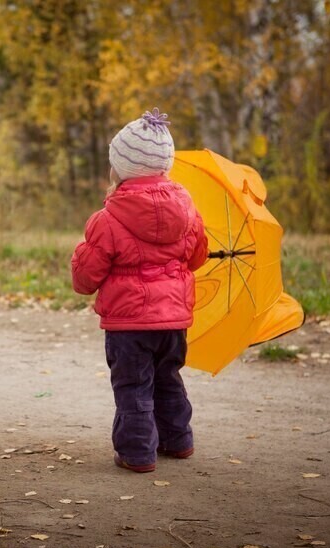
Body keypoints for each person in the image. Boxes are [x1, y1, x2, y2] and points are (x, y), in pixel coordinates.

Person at [71, 108, 209, 473]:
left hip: (129, 326)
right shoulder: (189, 212)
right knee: (168, 379)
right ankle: (178, 441)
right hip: (173, 322)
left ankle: (136, 452)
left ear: (119, 169)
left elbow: (85, 280)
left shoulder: (108, 219)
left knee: (133, 386)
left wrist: (81, 255)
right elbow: (196, 259)